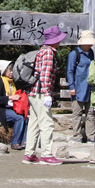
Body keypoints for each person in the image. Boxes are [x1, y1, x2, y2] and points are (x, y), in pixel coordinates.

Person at [24, 25, 66, 165]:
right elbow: (45, 75)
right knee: (47, 123)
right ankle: (46, 154)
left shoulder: (42, 50)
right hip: (41, 92)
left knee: (34, 123)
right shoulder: (48, 53)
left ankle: (29, 154)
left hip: (33, 92)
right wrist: (47, 93)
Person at [67, 30, 95, 143]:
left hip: (90, 88)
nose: (89, 45)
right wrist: (72, 87)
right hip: (78, 88)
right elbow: (70, 71)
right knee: (77, 113)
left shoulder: (91, 53)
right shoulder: (74, 54)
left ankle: (91, 135)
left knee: (91, 113)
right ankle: (77, 135)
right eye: (87, 43)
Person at [0, 59, 26, 150]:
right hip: (3, 110)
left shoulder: (12, 82)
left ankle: (24, 141)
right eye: (9, 71)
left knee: (26, 119)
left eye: (12, 71)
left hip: (13, 108)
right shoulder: (0, 83)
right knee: (19, 118)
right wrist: (10, 98)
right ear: (4, 71)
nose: (11, 73)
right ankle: (15, 142)